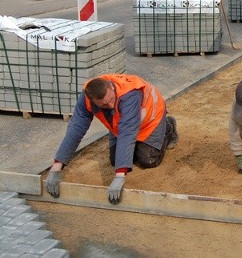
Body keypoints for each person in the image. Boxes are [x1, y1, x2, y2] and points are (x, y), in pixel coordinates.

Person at [44, 74, 179, 205]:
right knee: (116, 160)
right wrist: (57, 166)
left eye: (111, 99)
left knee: (148, 160)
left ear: (111, 87)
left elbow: (127, 132)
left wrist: (120, 176)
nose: (111, 104)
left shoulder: (130, 94)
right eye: (104, 104)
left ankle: (168, 126)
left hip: (150, 120)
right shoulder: (86, 96)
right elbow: (76, 128)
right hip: (121, 124)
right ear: (93, 101)